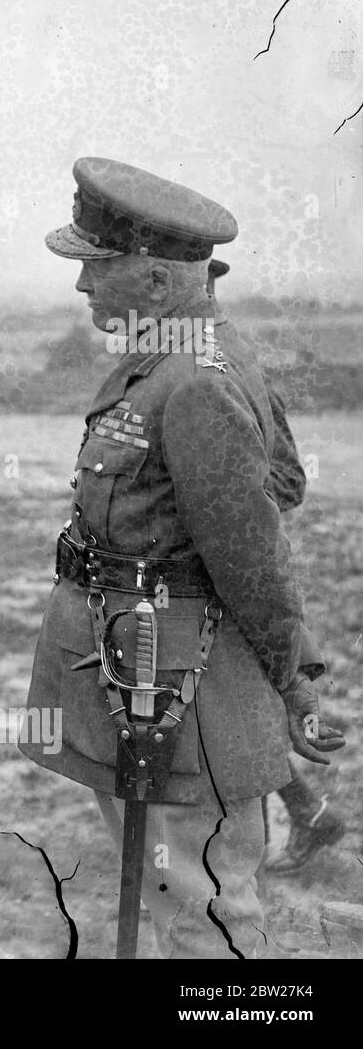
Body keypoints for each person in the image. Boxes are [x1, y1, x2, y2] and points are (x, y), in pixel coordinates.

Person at [20, 158, 345, 958]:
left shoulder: (194, 378)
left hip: (179, 680)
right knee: (178, 898)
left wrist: (291, 683)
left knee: (203, 917)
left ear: (159, 283)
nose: (82, 286)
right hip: (144, 662)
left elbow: (251, 552)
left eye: (97, 266)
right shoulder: (174, 354)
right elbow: (274, 485)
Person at [208, 258, 347, 874]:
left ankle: (288, 828)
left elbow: (289, 480)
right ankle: (306, 815)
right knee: (230, 711)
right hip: (207, 579)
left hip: (240, 577)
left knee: (243, 710)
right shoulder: (169, 374)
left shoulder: (238, 377)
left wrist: (227, 501)